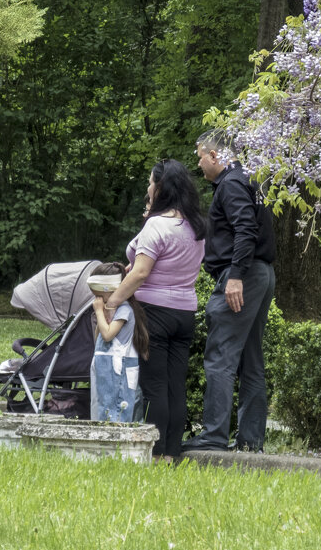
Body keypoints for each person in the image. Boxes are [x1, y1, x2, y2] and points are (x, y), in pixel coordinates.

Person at [103, 159, 206, 461]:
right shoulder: (195, 226)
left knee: (155, 386)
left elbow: (141, 273)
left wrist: (112, 303)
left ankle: (156, 453)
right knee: (176, 386)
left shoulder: (157, 226)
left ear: (160, 187)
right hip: (185, 313)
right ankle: (173, 453)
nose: (148, 187)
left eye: (150, 182)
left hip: (154, 314)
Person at [183, 129, 276, 452]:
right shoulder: (248, 179)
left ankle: (213, 436)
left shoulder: (232, 183)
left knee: (220, 356)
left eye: (200, 156)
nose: (198, 163)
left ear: (215, 155)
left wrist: (235, 275)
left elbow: (245, 229)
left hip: (244, 276)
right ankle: (250, 440)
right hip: (261, 273)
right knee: (250, 359)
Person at [89, 262, 150, 423]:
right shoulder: (111, 311)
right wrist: (102, 314)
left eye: (99, 296)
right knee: (102, 408)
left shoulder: (124, 310)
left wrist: (98, 312)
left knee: (116, 411)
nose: (97, 300)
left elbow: (108, 335)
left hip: (117, 371)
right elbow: (99, 339)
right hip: (105, 370)